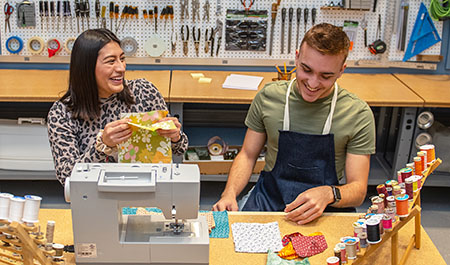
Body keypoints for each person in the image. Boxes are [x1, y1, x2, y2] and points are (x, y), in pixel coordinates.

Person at [213, 23, 376, 224]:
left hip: (323, 208)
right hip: (269, 200)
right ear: (297, 57)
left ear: (342, 70)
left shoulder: (357, 114)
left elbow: (358, 190)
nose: (313, 83)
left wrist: (329, 194)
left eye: (326, 76)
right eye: (306, 70)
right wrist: (229, 194)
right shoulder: (269, 97)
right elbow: (247, 154)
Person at [47, 29, 188, 185]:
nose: (121, 68)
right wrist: (102, 147)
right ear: (86, 68)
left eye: (122, 59)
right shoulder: (62, 113)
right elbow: (67, 177)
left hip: (148, 194)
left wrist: (175, 137)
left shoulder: (144, 92)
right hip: (98, 199)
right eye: (111, 61)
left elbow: (180, 149)